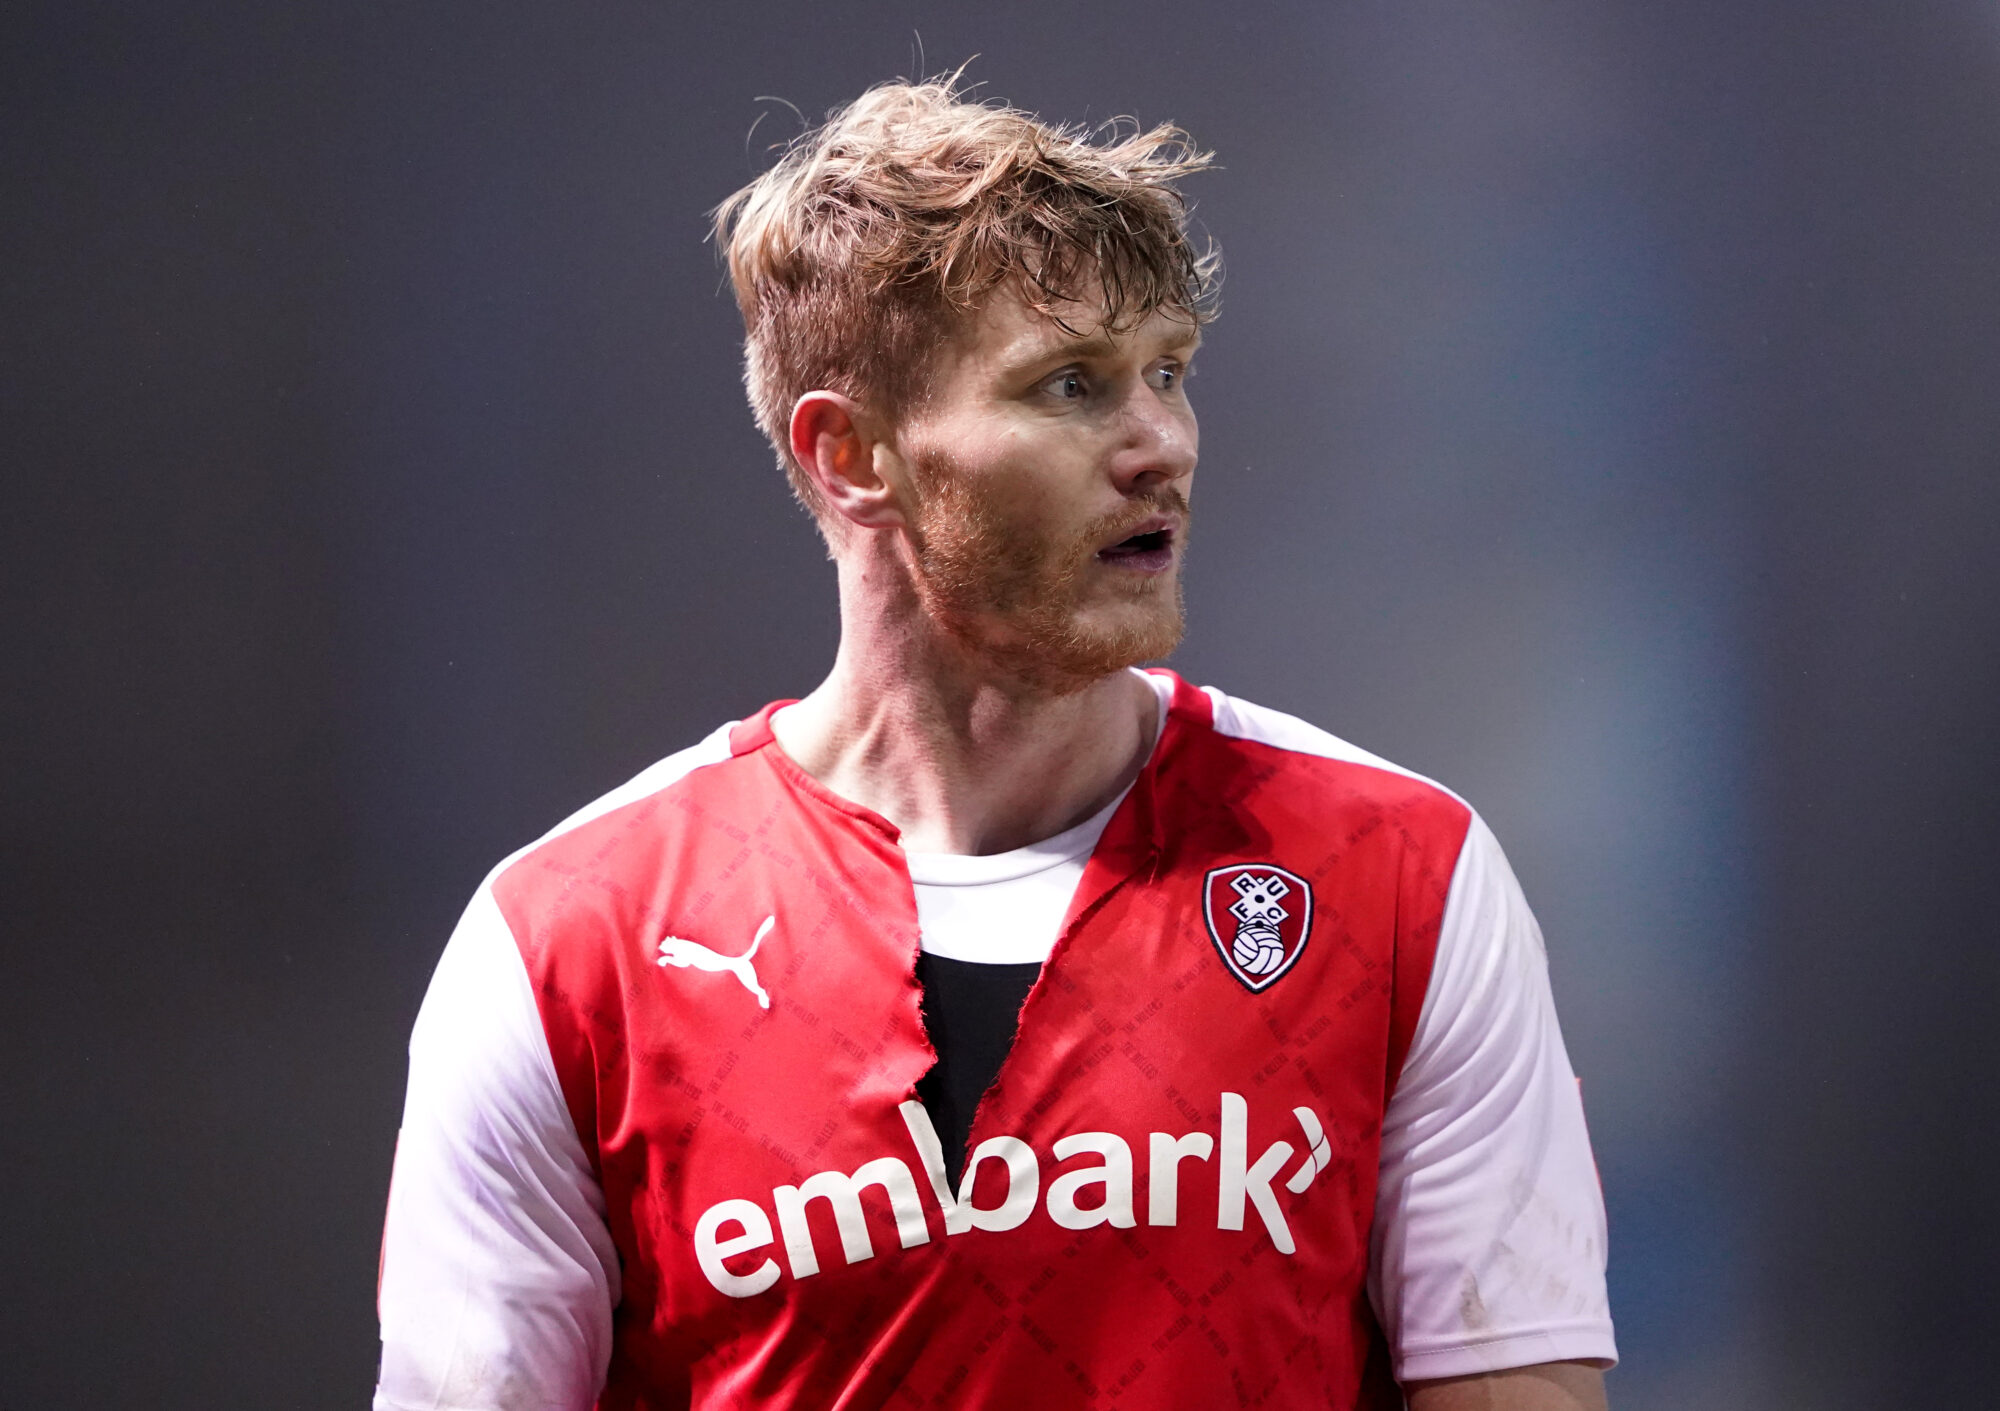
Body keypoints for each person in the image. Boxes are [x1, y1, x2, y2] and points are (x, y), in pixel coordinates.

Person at [373, 75, 1616, 1411]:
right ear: (853, 456)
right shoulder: (572, 941)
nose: (1162, 446)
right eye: (1071, 385)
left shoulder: (1400, 877)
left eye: (1170, 373)